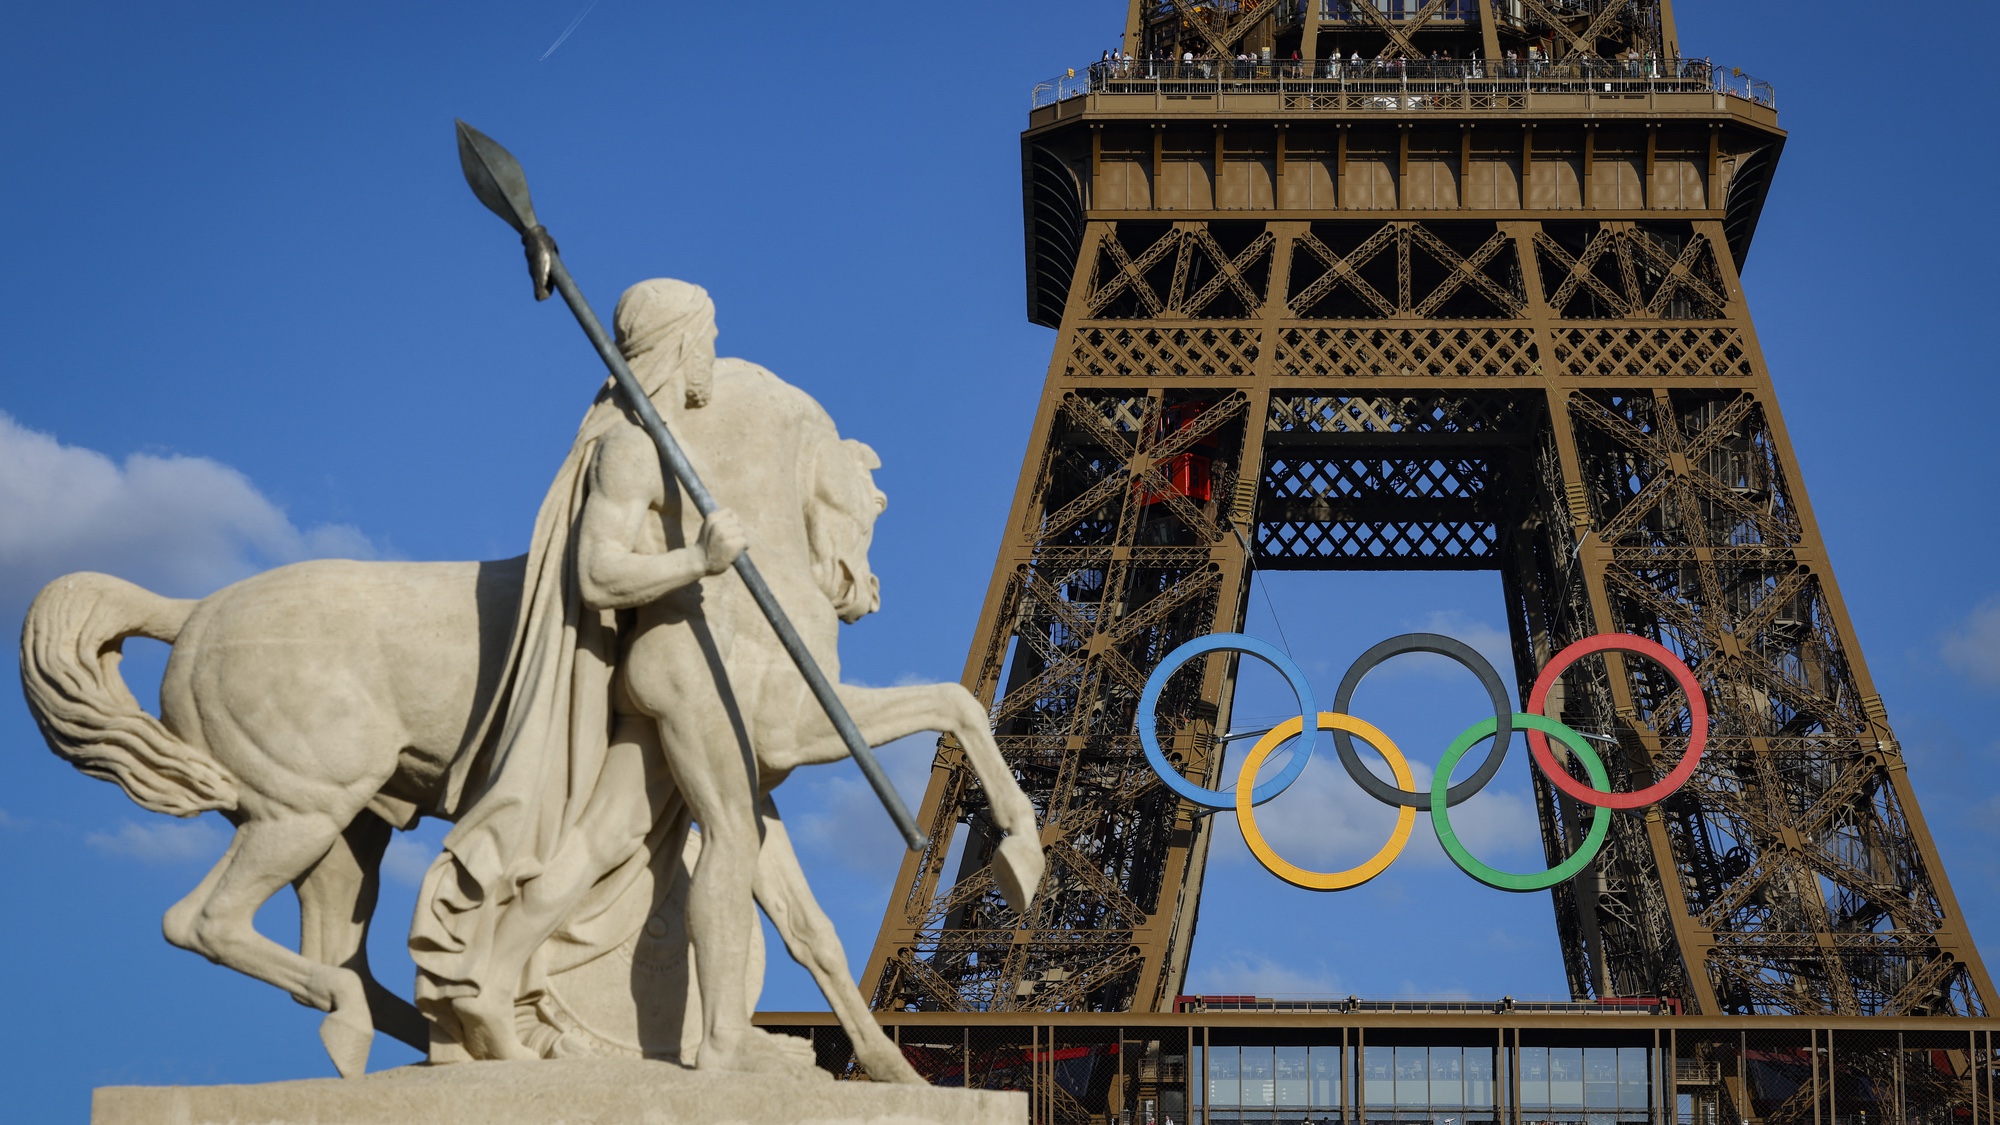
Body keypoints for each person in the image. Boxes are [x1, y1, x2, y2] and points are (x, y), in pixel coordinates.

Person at [411, 280, 776, 1067]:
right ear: (678, 343)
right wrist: (700, 559)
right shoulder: (636, 444)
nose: (712, 352)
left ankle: (487, 969)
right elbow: (597, 573)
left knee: (599, 840)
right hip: (678, 661)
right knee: (736, 832)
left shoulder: (660, 440)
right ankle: (721, 1044)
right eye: (707, 335)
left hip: (670, 665)